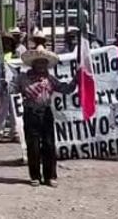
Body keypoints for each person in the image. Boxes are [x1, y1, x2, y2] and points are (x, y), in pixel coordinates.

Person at [15, 48, 74, 186]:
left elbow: (65, 89)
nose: (41, 66)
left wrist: (76, 80)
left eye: (44, 63)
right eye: (39, 63)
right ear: (33, 64)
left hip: (46, 112)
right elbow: (11, 89)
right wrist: (4, 82)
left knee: (49, 145)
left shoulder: (50, 79)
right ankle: (35, 176)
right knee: (33, 145)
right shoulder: (23, 78)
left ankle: (50, 176)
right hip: (31, 113)